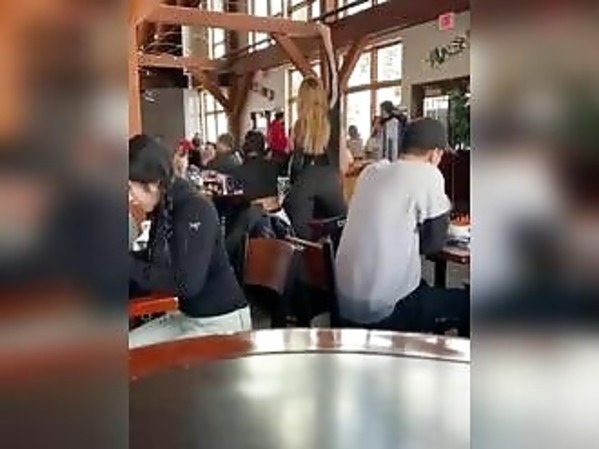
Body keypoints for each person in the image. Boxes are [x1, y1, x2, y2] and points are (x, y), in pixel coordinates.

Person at [335, 117, 469, 336]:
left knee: (423, 287)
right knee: (469, 303)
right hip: (385, 311)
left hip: (344, 304)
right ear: (434, 154)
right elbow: (434, 244)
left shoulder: (371, 172)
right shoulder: (428, 174)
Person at [128, 134, 251, 348]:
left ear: (153, 184)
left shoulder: (194, 208)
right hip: (188, 318)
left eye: (130, 188)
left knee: (133, 360)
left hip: (221, 324)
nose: (129, 198)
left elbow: (187, 283)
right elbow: (152, 259)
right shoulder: (165, 204)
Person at [284, 77, 347, 240]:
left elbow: (293, 165)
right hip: (331, 183)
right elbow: (344, 165)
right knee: (339, 228)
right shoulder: (334, 124)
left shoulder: (297, 127)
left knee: (303, 240)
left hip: (304, 184)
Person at [236, 130, 279, 202]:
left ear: (245, 147)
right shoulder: (273, 166)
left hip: (250, 208)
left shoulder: (239, 171)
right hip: (273, 207)